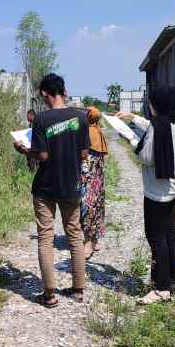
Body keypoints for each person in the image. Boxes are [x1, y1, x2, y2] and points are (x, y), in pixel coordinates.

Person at [14, 73, 90, 308]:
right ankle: (78, 290)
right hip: (71, 184)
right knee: (74, 234)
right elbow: (84, 153)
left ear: (44, 94)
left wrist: (24, 150)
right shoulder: (80, 117)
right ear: (64, 91)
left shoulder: (41, 119)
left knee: (45, 237)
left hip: (46, 186)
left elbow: (43, 155)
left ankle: (49, 295)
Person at [117, 85, 175, 305]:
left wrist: (130, 138)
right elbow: (151, 126)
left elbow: (146, 158)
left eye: (151, 103)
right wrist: (132, 117)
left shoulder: (157, 127)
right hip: (170, 186)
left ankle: (161, 288)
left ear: (159, 105)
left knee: (156, 237)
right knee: (169, 233)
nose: (150, 106)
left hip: (156, 191)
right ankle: (171, 280)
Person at [80, 107, 108, 259]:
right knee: (96, 205)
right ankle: (94, 239)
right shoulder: (97, 131)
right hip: (96, 179)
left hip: (89, 178)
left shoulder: (88, 132)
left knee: (88, 205)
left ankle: (89, 241)